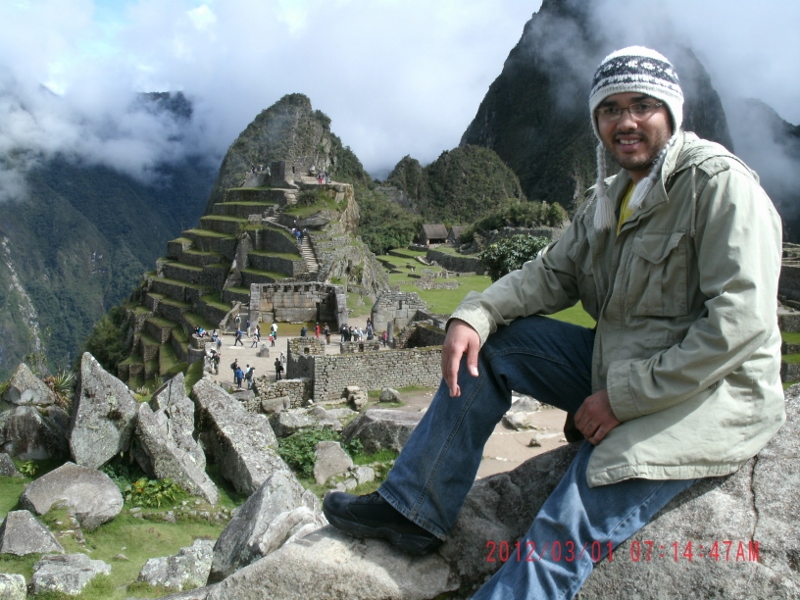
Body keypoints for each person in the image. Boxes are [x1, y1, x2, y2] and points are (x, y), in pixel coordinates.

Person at [322, 46, 785, 599]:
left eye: (642, 105)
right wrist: (476, 314)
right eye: (610, 110)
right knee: (492, 348)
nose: (627, 122)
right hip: (621, 364)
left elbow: (740, 324)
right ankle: (415, 508)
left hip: (706, 392)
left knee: (566, 520)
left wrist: (621, 400)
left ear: (670, 111)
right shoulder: (608, 198)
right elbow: (550, 274)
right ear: (596, 122)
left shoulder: (718, 185)